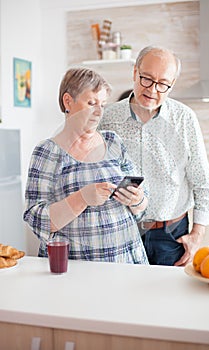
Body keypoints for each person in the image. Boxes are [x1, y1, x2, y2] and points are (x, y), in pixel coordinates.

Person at [99, 46, 209, 266]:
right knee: (122, 297)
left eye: (163, 84)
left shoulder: (184, 119)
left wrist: (197, 235)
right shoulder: (107, 118)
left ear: (172, 84)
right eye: (146, 79)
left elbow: (203, 182)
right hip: (122, 231)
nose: (153, 90)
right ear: (135, 72)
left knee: (169, 298)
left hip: (171, 236)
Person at [23, 67, 149, 264]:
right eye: (91, 103)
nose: (99, 112)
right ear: (68, 102)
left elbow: (144, 203)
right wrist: (81, 198)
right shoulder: (47, 151)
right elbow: (35, 217)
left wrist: (137, 200)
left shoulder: (112, 141)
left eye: (103, 104)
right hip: (76, 267)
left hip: (128, 262)